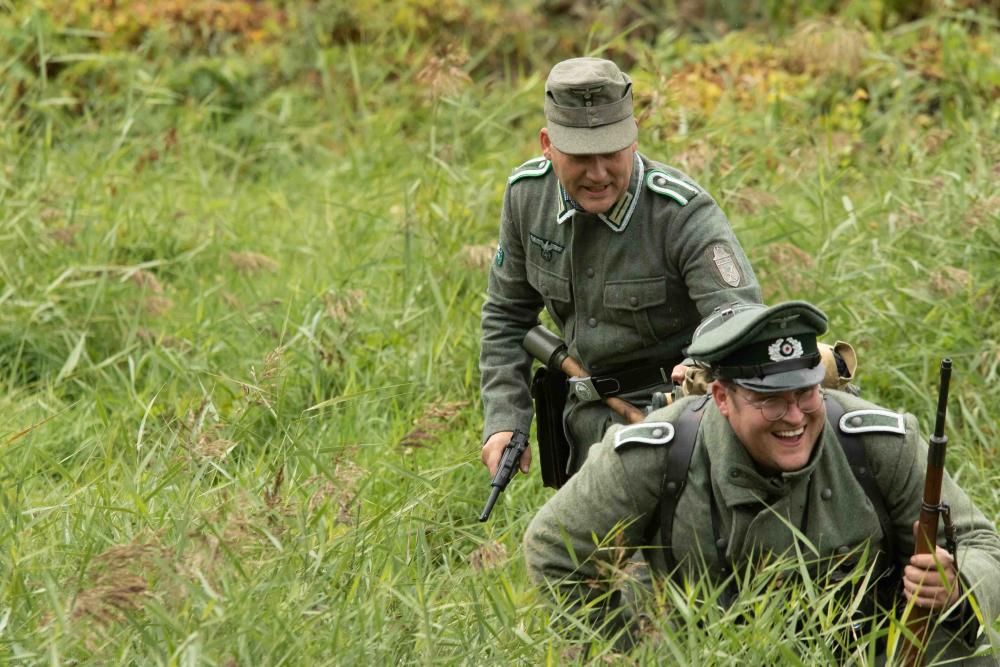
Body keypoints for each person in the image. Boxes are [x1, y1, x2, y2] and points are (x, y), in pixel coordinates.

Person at [523, 301, 1000, 662]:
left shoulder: (877, 443)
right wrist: (628, 652)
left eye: (806, 392)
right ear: (722, 397)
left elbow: (984, 544)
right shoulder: (659, 453)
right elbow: (553, 548)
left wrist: (958, 583)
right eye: (770, 399)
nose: (794, 416)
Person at [480, 56, 762, 479]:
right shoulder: (527, 197)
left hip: (681, 427)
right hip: (584, 428)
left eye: (611, 153)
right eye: (579, 156)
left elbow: (740, 319)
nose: (598, 173)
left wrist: (704, 365)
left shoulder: (681, 213)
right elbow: (506, 316)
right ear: (547, 145)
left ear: (633, 140)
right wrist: (505, 419)